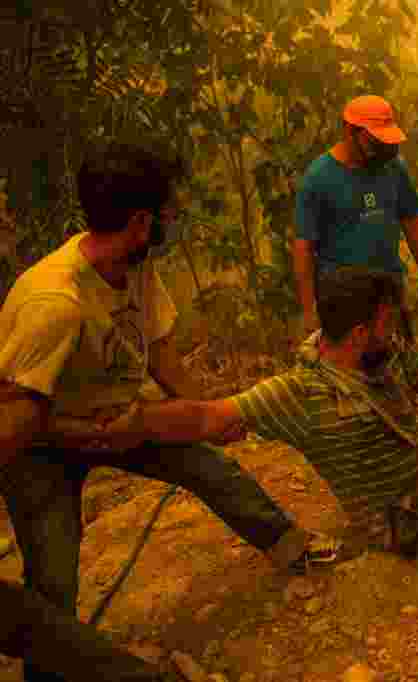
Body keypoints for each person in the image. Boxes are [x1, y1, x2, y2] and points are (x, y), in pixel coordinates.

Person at [0, 144, 332, 682]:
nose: (169, 224)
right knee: (54, 579)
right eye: (166, 214)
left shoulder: (135, 268)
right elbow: (11, 412)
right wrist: (81, 433)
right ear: (140, 221)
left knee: (206, 466)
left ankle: (291, 546)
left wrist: (204, 413)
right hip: (43, 448)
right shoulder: (53, 303)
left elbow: (160, 355)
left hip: (120, 420)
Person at [96, 267, 418, 557]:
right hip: (397, 519)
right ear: (361, 332)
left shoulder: (382, 353)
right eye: (387, 323)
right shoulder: (301, 392)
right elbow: (207, 417)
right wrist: (138, 422)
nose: (395, 330)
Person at [293, 94, 418, 336]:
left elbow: (412, 221)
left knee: (400, 366)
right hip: (342, 294)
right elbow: (303, 247)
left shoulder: (394, 168)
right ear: (350, 131)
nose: (383, 151)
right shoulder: (319, 177)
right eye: (375, 144)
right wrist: (309, 311)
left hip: (388, 287)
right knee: (348, 370)